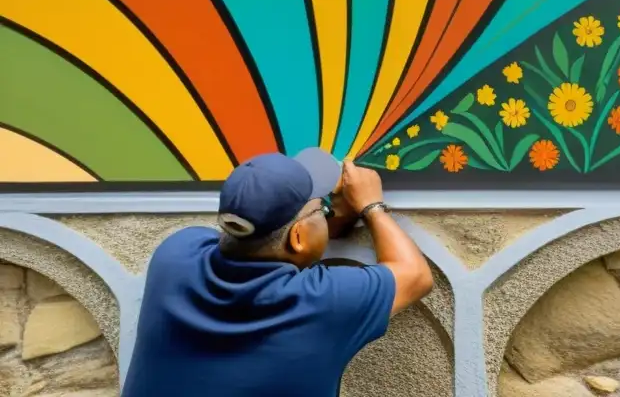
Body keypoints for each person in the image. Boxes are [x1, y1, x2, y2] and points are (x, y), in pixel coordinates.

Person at [121, 149, 433, 397]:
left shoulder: (173, 256)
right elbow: (414, 275)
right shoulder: (323, 303)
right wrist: (370, 205)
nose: (325, 214)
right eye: (320, 209)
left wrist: (327, 221)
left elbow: (263, 245)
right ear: (298, 238)